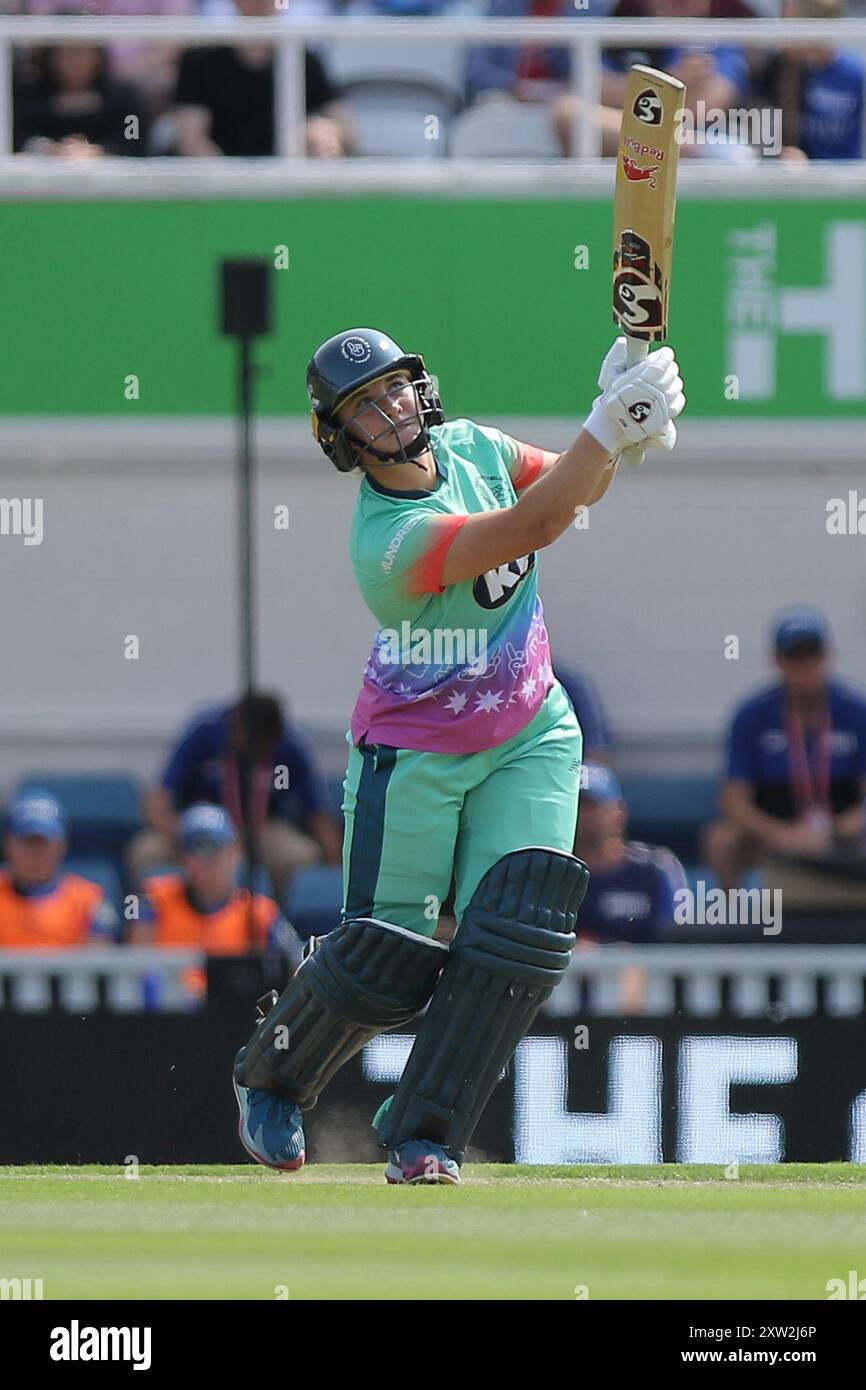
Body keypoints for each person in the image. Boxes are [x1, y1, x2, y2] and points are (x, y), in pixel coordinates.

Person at [231, 325, 685, 1184]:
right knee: (389, 951)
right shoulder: (388, 540)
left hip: (529, 730)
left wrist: (624, 423)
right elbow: (539, 522)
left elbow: (569, 488)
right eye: (364, 405)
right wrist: (610, 422)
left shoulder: (470, 444)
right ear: (341, 438)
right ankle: (274, 1074)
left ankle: (424, 1129)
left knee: (518, 937)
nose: (390, 408)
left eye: (396, 387)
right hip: (416, 751)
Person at [704, 608, 866, 892]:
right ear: (778, 661)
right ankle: (738, 925)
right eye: (795, 657)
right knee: (721, 841)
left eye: (811, 655)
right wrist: (782, 834)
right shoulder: (751, 715)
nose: (804, 666)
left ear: (827, 656)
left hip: (840, 830)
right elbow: (734, 800)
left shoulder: (856, 711)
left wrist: (836, 831)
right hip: (775, 829)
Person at [127, 691, 342, 897]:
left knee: (300, 856)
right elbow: (157, 801)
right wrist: (181, 834)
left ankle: (276, 921)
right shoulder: (204, 732)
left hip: (262, 826)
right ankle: (162, 919)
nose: (258, 749)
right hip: (200, 819)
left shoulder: (291, 744)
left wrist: (338, 875)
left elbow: (318, 815)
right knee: (147, 852)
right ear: (236, 727)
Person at [131, 803, 299, 1001]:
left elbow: (294, 967)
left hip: (235, 1016)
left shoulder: (259, 912)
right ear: (183, 859)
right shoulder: (155, 900)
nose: (207, 862)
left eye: (216, 851)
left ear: (234, 854)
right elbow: (137, 967)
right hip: (169, 1013)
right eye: (197, 852)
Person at [173, 0, 353, 157]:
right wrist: (233, 184)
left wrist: (325, 133)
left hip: (286, 186)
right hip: (215, 187)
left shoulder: (304, 59)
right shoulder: (199, 60)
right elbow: (191, 140)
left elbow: (347, 129)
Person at [573, 763, 685, 1012]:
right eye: (576, 806)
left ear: (618, 811)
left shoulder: (654, 869)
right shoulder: (557, 873)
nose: (584, 815)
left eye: (593, 806)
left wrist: (620, 956)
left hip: (649, 986)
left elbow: (677, 936)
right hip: (572, 982)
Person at [0, 793, 119, 947]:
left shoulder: (90, 900)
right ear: (8, 845)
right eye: (27, 843)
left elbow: (99, 963)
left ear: (61, 846)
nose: (35, 854)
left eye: (43, 844)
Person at [13, 32, 151, 156]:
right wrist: (46, 149)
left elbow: (134, 139)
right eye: (67, 51)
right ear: (51, 55)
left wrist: (98, 152)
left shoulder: (127, 97)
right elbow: (16, 137)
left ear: (98, 54)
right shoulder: (26, 96)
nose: (74, 61)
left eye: (81, 51)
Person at [762, 0, 864, 162]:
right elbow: (762, 131)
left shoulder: (856, 74)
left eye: (790, 26)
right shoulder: (778, 68)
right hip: (798, 176)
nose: (782, 36)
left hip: (844, 176)